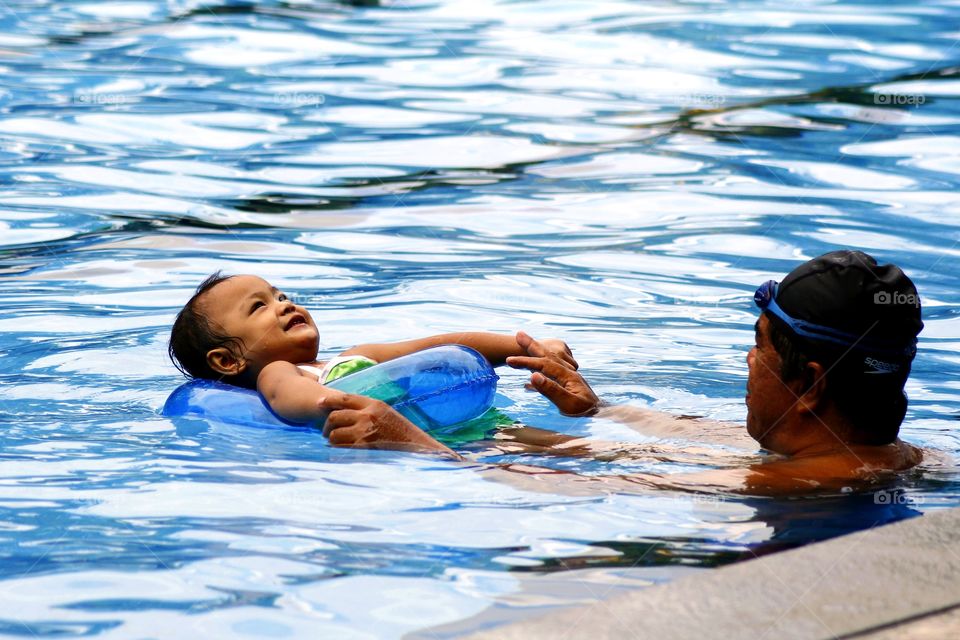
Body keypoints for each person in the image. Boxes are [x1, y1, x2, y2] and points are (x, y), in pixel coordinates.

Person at [505, 250, 927, 495]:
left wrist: (478, 440)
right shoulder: (905, 459)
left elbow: (618, 477)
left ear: (810, 385)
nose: (748, 359)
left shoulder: (787, 483)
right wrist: (600, 411)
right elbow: (712, 441)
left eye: (760, 347)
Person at [168, 272, 577, 457]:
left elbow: (440, 343)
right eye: (259, 306)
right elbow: (296, 400)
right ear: (228, 360)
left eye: (280, 295)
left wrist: (528, 348)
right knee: (552, 473)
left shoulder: (356, 355)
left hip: (484, 425)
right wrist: (337, 404)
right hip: (450, 443)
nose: (284, 304)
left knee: (598, 453)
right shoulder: (281, 372)